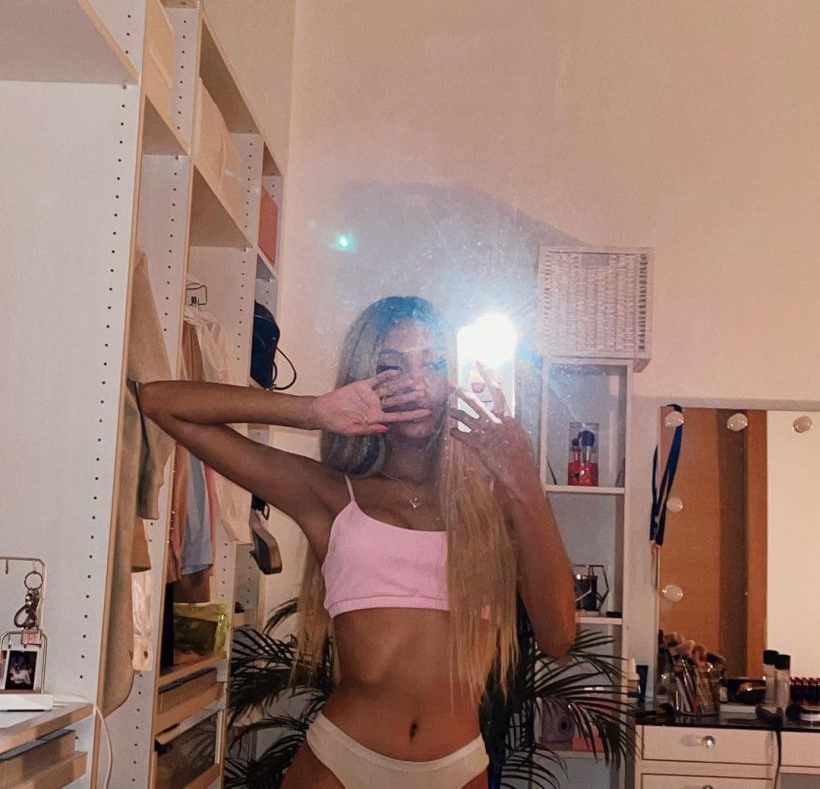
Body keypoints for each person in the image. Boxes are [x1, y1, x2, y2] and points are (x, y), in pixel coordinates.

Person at [141, 296, 575, 789]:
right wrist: (313, 411)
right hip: (341, 760)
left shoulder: (492, 505)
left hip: (458, 766)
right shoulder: (330, 495)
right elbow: (160, 402)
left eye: (433, 363)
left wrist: (522, 478)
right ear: (363, 378)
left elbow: (558, 637)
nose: (416, 381)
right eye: (392, 366)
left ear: (453, 376)